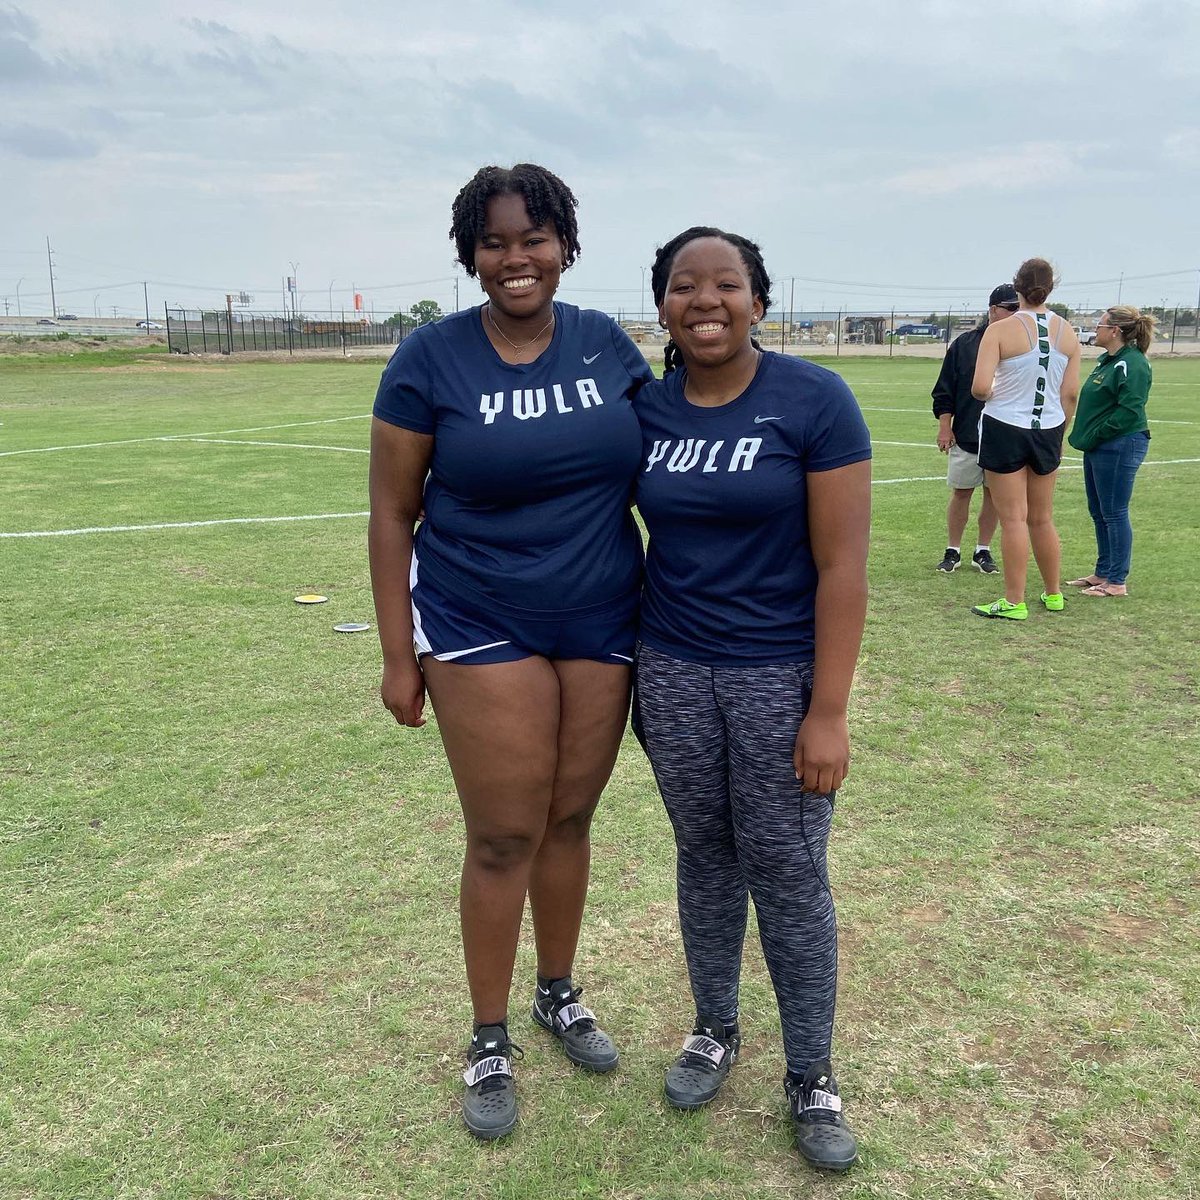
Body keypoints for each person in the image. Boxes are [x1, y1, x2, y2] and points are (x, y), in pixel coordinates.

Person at [368, 163, 653, 1140]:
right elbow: (390, 510)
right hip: (477, 617)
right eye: (494, 241)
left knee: (570, 819)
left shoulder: (608, 346)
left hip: (603, 617)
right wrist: (398, 653)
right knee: (501, 835)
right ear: (471, 254)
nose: (515, 257)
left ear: (565, 246)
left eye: (534, 238)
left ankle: (558, 992)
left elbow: (667, 460)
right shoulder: (428, 360)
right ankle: (488, 1037)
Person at [632, 227, 872, 1173]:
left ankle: (811, 1071)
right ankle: (713, 1028)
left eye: (725, 284)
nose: (705, 301)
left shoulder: (812, 400)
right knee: (704, 854)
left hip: (779, 677)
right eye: (684, 286)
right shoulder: (648, 410)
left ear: (758, 301)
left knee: (788, 869)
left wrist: (830, 709)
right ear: (662, 308)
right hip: (673, 669)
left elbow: (842, 565)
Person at [969, 258, 1080, 620]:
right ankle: (1053, 593)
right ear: (1050, 288)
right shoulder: (1068, 331)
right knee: (1042, 518)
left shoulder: (1000, 330)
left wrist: (1001, 391)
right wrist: (1059, 429)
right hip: (1048, 428)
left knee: (1013, 518)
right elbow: (1071, 394)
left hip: (1006, 427)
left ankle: (1014, 601)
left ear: (1017, 287)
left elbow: (981, 388)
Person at [1065, 305, 1155, 597]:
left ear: (1115, 330)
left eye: (1100, 325)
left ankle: (1116, 581)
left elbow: (1129, 411)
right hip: (1098, 446)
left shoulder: (1133, 363)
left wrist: (1097, 434)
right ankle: (1102, 571)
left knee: (1114, 512)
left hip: (1119, 445)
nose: (1096, 330)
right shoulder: (1108, 361)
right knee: (1098, 511)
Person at [930, 284, 1020, 575]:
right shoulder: (966, 344)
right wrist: (945, 427)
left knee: (993, 495)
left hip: (1003, 436)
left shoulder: (1022, 345)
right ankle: (952, 549)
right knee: (961, 492)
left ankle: (983, 550)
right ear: (993, 310)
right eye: (1011, 308)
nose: (1016, 314)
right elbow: (945, 389)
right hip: (967, 433)